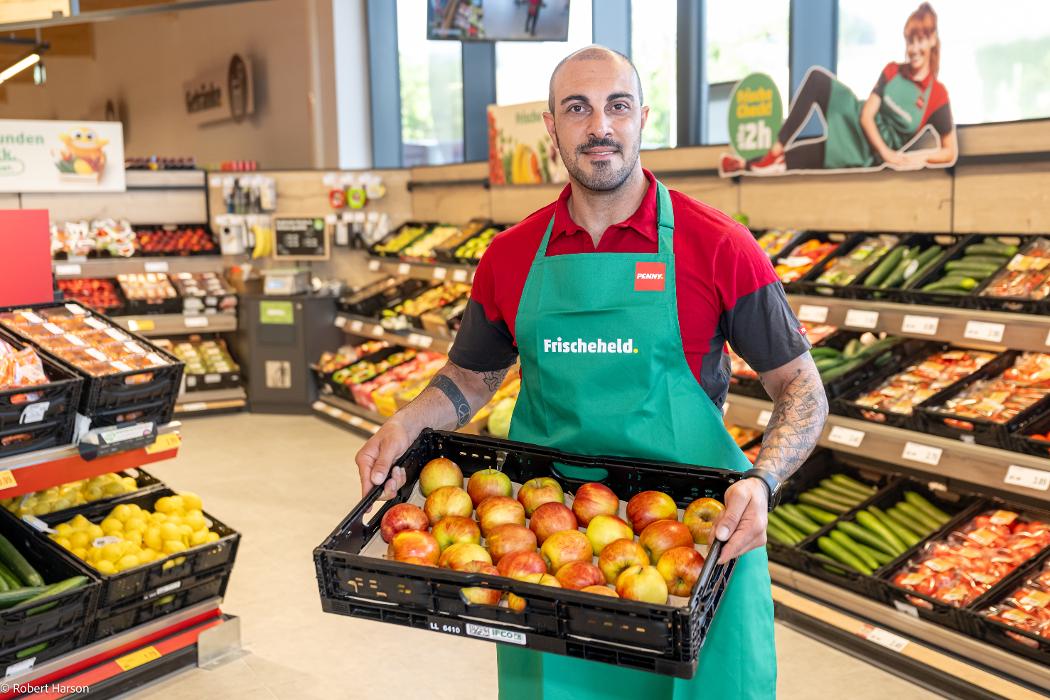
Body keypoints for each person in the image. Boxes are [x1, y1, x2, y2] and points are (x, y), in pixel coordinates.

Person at [357, 45, 829, 699]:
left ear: (642, 119)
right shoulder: (510, 256)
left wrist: (765, 480)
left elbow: (803, 388)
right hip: (548, 554)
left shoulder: (719, 245)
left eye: (617, 106)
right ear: (552, 127)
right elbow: (470, 381)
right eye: (577, 108)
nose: (599, 126)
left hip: (696, 547)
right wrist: (407, 419)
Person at [723, 2, 957, 175]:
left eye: (921, 40)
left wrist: (917, 158)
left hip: (865, 153)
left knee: (798, 157)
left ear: (933, 39)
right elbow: (867, 116)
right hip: (856, 119)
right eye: (910, 41)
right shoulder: (893, 70)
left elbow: (949, 151)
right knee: (816, 80)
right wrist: (887, 154)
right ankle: (773, 148)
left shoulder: (937, 96)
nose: (914, 49)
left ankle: (746, 164)